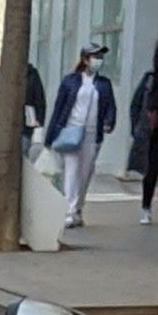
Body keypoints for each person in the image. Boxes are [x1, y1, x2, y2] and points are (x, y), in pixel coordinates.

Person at [45, 42, 117, 230]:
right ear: (85, 59)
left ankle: (77, 209)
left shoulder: (104, 84)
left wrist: (109, 121)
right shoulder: (70, 81)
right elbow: (59, 108)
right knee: (72, 171)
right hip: (71, 131)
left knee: (85, 174)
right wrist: (51, 135)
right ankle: (69, 211)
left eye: (100, 57)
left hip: (93, 135)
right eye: (95, 57)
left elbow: (110, 106)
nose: (98, 61)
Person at [130, 43, 158, 221]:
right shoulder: (151, 79)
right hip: (154, 133)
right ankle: (146, 207)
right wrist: (136, 128)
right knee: (151, 171)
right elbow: (137, 104)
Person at [0, 59, 42, 162]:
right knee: (4, 156)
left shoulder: (31, 74)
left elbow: (39, 99)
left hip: (25, 124)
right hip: (3, 124)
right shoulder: (1, 74)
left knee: (22, 155)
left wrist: (38, 119)